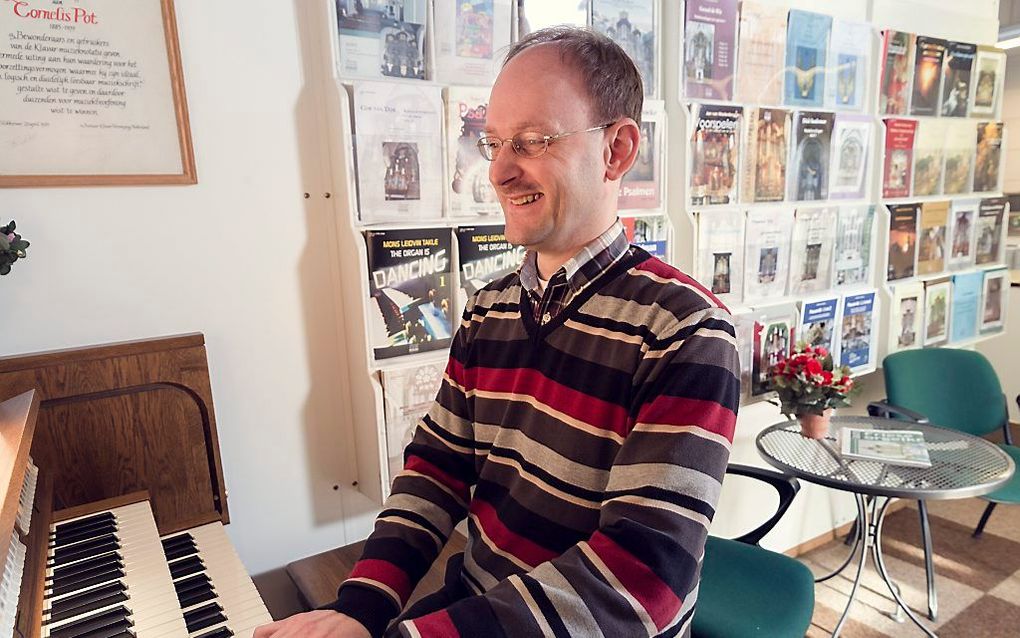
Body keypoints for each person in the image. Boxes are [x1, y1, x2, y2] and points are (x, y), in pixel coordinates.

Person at [255, 27, 739, 638]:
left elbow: (640, 583)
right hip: (481, 608)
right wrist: (358, 608)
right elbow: (435, 468)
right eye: (494, 143)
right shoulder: (490, 310)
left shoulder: (685, 330)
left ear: (617, 150)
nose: (501, 171)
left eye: (534, 140)